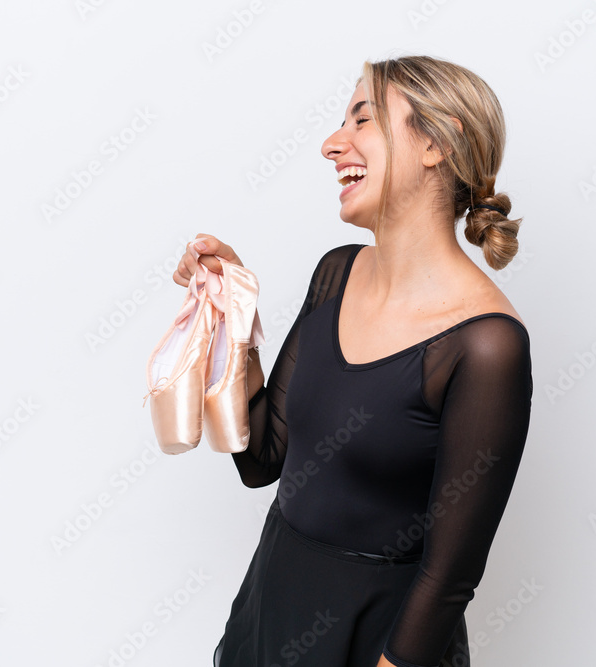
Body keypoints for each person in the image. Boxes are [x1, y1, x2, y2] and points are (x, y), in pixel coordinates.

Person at [174, 55, 533, 667]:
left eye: (361, 120)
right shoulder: (336, 273)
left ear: (435, 141)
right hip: (270, 611)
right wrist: (235, 318)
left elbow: (448, 580)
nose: (331, 143)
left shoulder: (487, 345)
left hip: (382, 646)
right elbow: (261, 458)